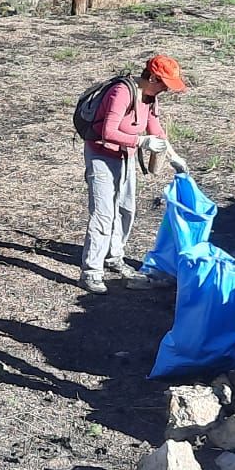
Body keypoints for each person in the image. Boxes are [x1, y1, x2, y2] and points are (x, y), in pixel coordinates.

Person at [80, 54, 187, 294]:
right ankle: (91, 271)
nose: (165, 91)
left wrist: (174, 157)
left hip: (125, 156)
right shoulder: (122, 92)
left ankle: (114, 256)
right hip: (101, 155)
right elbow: (108, 131)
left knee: (126, 208)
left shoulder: (150, 97)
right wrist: (141, 141)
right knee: (103, 213)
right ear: (152, 77)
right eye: (164, 85)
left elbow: (157, 131)